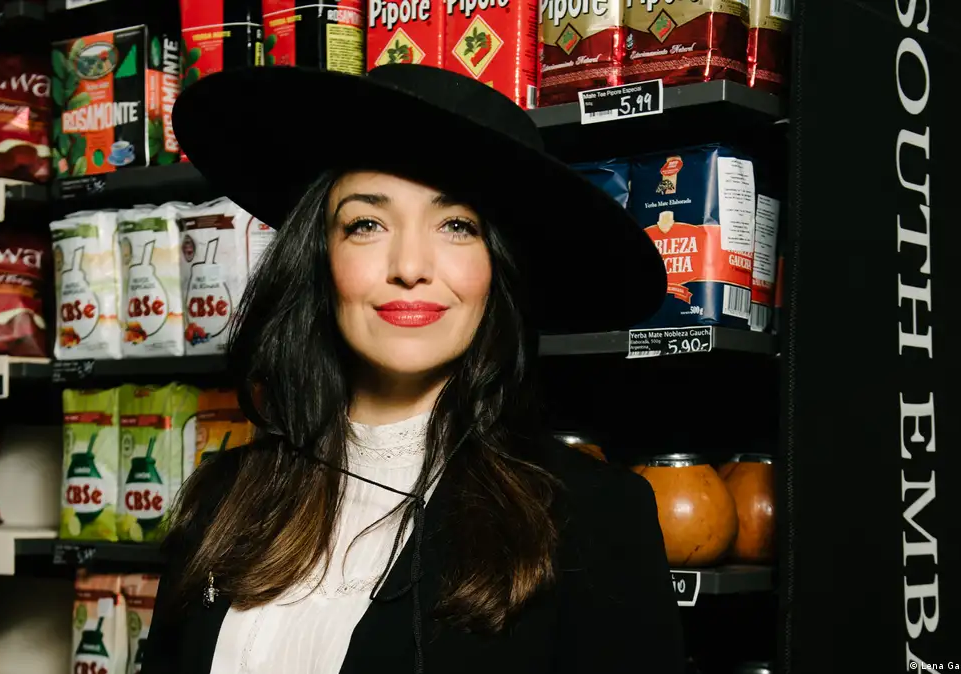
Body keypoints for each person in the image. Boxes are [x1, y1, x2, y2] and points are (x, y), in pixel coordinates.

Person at [144, 64, 684, 674]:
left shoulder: (594, 517)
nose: (409, 266)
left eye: (456, 226)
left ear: (498, 269)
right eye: (366, 224)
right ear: (319, 258)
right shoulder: (224, 496)